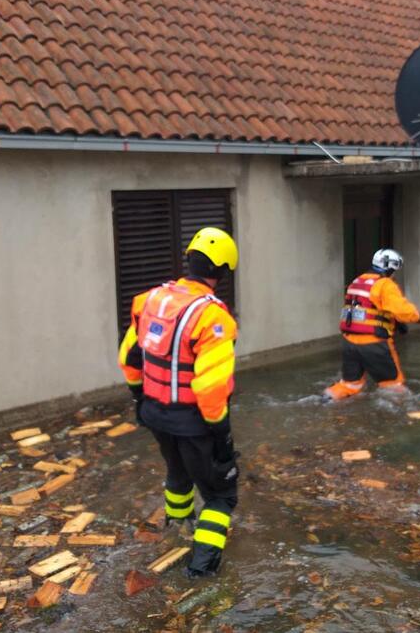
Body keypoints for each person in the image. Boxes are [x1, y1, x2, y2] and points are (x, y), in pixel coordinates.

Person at [118, 227, 240, 578]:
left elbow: (129, 356)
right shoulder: (212, 316)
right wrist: (222, 436)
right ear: (224, 272)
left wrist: (139, 398)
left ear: (189, 260)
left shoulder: (150, 300)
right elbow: (211, 387)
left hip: (154, 411)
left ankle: (177, 528)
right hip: (193, 420)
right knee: (220, 496)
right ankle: (201, 572)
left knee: (178, 471)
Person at [324, 248, 420, 401]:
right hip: (374, 343)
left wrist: (395, 323)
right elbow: (402, 310)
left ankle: (326, 400)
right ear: (391, 267)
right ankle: (398, 416)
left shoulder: (357, 282)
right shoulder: (385, 284)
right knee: (393, 386)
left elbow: (368, 309)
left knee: (350, 385)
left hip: (349, 343)